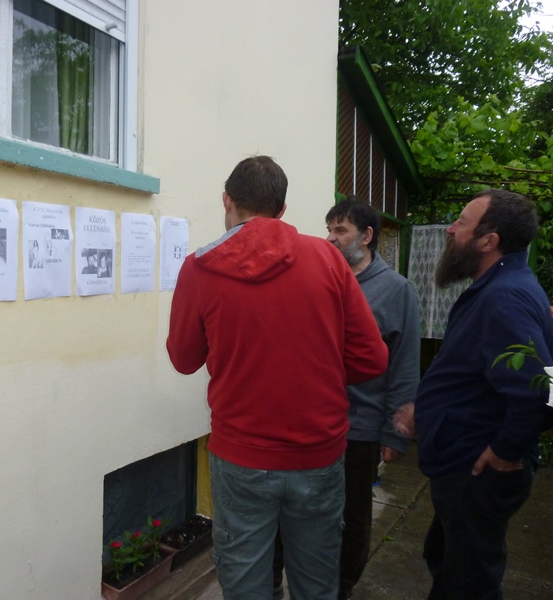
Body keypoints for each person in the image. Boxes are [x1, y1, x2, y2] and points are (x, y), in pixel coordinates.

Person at [166, 156, 388, 600]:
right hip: (319, 451)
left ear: (227, 200)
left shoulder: (199, 267)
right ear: (282, 209)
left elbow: (184, 359)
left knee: (246, 584)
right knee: (316, 583)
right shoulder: (327, 258)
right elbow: (372, 358)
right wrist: (316, 371)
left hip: (241, 453)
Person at [406, 189, 553, 599]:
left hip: (475, 471)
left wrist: (507, 449)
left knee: (469, 585)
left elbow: (542, 389)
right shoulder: (502, 287)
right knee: (444, 557)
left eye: (462, 222)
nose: (451, 229)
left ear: (489, 241)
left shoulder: (504, 297)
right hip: (463, 466)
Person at [324, 198, 420, 599]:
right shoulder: (324, 279)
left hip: (360, 428)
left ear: (366, 236)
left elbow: (405, 364)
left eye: (340, 230)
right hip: (317, 423)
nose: (330, 238)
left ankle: (342, 587)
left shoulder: (396, 290)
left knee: (353, 514)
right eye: (329, 229)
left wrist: (396, 432)